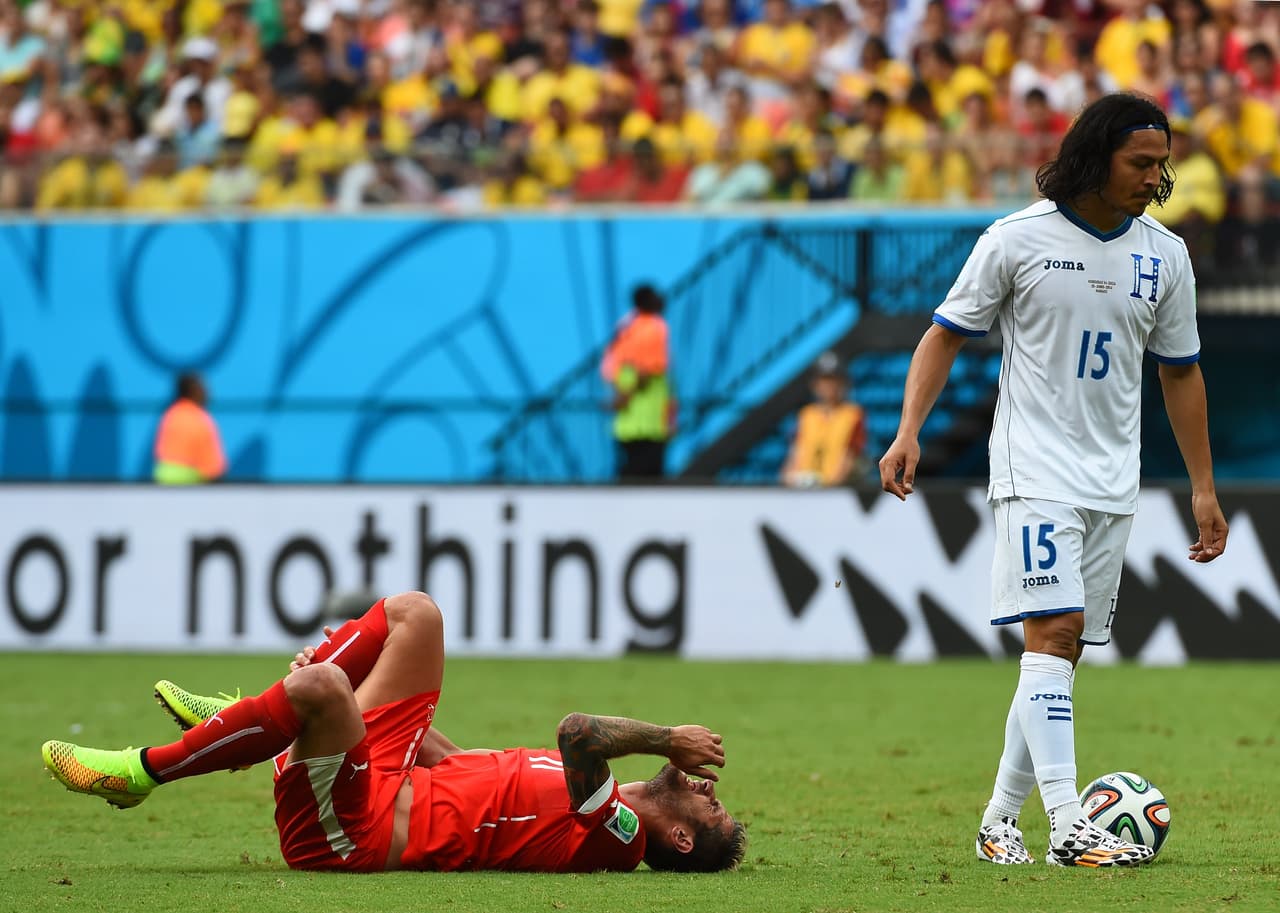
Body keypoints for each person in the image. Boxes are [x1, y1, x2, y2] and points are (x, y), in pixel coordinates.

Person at [877, 93, 1229, 868]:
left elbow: (1181, 373)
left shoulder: (1164, 255)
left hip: (1114, 479)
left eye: (1161, 163)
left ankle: (1000, 819)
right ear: (1096, 154)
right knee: (1055, 630)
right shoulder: (1016, 239)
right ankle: (1070, 823)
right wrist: (908, 431)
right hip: (1034, 467)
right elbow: (943, 336)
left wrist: (1203, 485)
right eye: (1140, 162)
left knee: (1058, 656)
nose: (1154, 177)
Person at [42, 592, 747, 874]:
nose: (706, 786)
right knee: (416, 616)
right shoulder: (564, 798)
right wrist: (354, 696)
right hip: (384, 777)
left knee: (321, 686)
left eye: (710, 806)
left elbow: (579, 731)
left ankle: (141, 772)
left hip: (351, 832)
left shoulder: (617, 838)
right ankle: (257, 722)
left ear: (679, 838)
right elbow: (450, 759)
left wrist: (665, 738)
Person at [600, 284, 673, 480]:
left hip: (627, 423)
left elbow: (610, 368)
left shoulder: (625, 327)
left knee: (629, 473)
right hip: (649, 422)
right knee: (646, 477)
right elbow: (647, 371)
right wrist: (626, 394)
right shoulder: (654, 328)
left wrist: (619, 394)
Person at [781, 351, 866, 487]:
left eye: (833, 380)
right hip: (804, 490)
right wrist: (793, 479)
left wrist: (827, 486)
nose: (828, 386)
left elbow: (849, 458)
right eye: (824, 380)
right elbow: (796, 454)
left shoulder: (853, 415)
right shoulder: (806, 415)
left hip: (835, 492)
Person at [152, 372, 226, 484]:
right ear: (193, 392)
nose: (207, 392)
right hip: (189, 482)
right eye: (203, 388)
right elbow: (213, 468)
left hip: (162, 477)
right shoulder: (201, 419)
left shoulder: (170, 414)